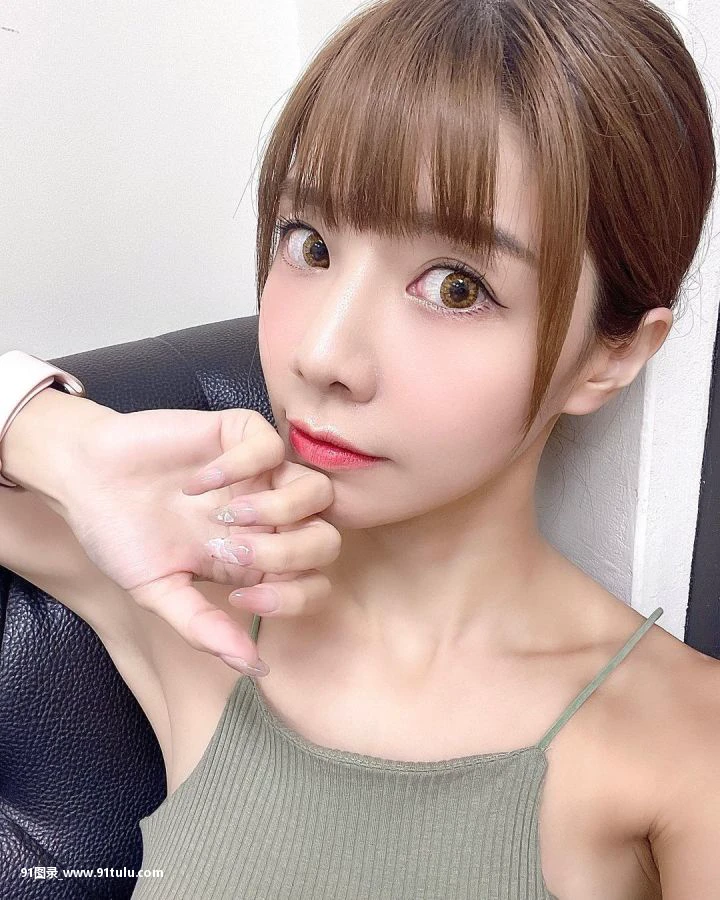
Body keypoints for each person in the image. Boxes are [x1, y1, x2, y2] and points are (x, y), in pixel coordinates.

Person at [1, 0, 718, 896]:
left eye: (456, 288)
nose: (323, 353)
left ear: (612, 356)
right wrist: (60, 442)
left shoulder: (684, 750)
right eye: (309, 244)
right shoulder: (190, 596)